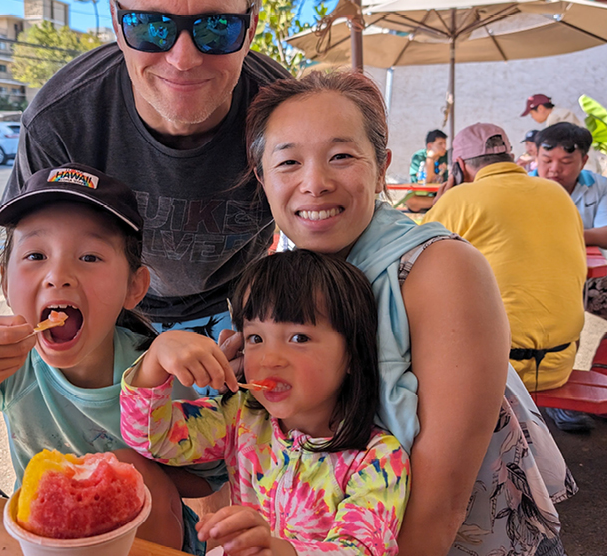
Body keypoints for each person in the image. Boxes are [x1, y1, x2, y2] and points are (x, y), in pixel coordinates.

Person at [221, 71, 575, 556]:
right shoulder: (282, 282)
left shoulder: (441, 269)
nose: (315, 184)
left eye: (341, 156)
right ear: (262, 177)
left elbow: (442, 503)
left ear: (381, 165)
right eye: (287, 162)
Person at [0, 163, 213, 554]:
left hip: (152, 542)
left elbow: (206, 478)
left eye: (90, 257)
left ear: (134, 287)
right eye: (35, 254)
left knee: (131, 468)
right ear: (5, 282)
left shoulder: (156, 373)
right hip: (44, 545)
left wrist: (139, 462)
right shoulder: (8, 365)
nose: (58, 275)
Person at [2, 0, 290, 342]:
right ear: (118, 25)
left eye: (216, 27)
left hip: (241, 309)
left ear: (249, 29)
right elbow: (30, 260)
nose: (183, 58)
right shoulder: (61, 119)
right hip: (106, 311)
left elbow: (330, 241)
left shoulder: (284, 114)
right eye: (151, 26)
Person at [121, 249, 410, 556]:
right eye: (256, 338)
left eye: (299, 338)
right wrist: (155, 359)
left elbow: (361, 549)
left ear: (352, 353)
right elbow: (153, 438)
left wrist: (279, 551)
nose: (270, 360)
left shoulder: (377, 457)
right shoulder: (241, 418)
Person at [421, 124, 588, 430]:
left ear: (458, 166)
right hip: (560, 362)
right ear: (512, 157)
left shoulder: (460, 200)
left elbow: (407, 266)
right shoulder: (557, 193)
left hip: (498, 371)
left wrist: (438, 204)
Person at [536, 123, 607, 321]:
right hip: (533, 277)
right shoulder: (519, 187)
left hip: (589, 279)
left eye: (566, 162)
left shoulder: (600, 187)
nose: (554, 169)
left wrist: (555, 237)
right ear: (536, 158)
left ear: (584, 161)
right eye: (546, 160)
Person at [523, 93, 605, 174]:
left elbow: (559, 148)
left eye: (531, 113)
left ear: (540, 108)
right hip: (584, 162)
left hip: (578, 165)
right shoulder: (560, 114)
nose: (532, 117)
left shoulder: (556, 117)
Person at [405, 129, 448, 212]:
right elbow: (426, 181)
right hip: (423, 196)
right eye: (440, 143)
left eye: (445, 143)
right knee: (410, 201)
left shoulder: (447, 156)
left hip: (441, 193)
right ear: (429, 146)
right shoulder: (419, 156)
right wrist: (430, 157)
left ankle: (442, 202)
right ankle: (444, 203)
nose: (444, 147)